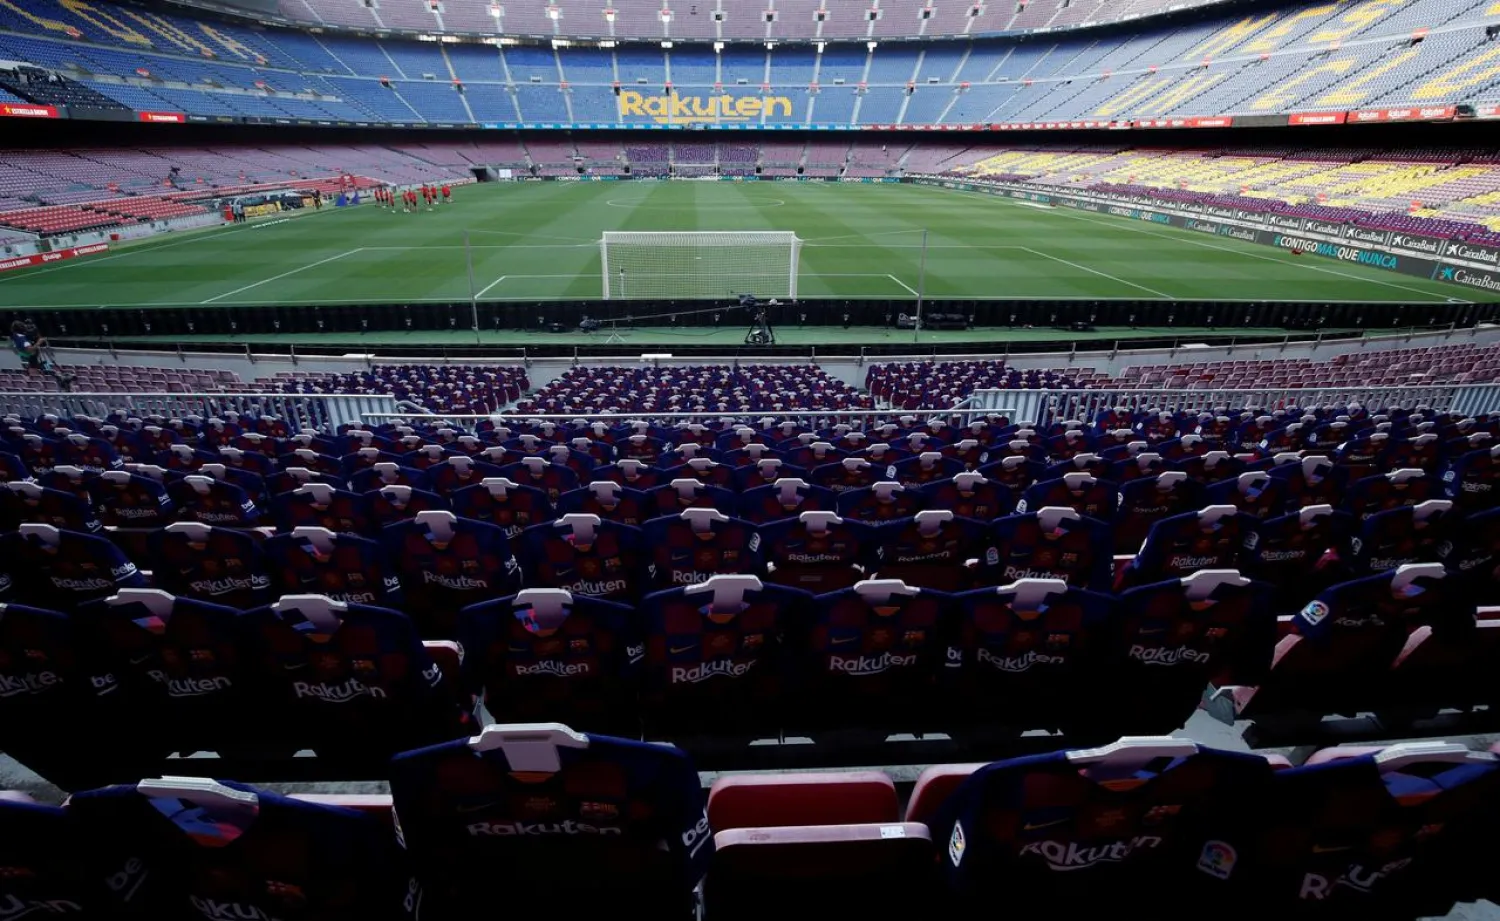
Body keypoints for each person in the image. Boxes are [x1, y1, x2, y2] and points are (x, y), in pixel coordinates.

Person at [10, 320, 74, 391]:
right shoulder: (22, 339)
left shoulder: (15, 336)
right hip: (32, 360)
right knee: (43, 373)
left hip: (31, 360)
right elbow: (30, 350)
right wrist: (39, 342)